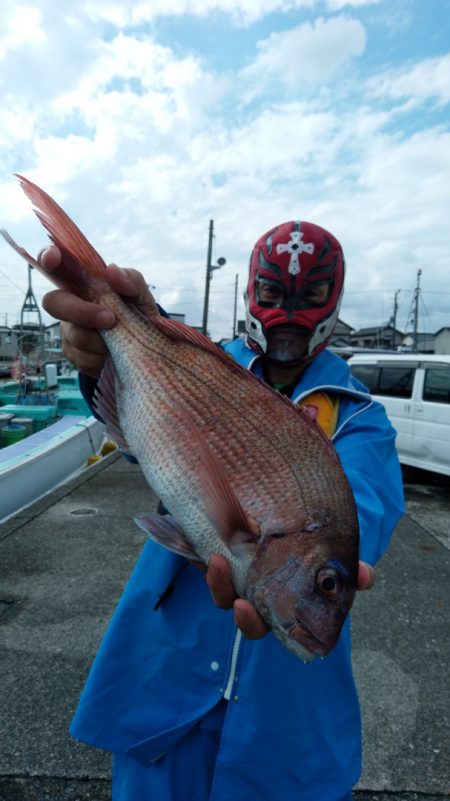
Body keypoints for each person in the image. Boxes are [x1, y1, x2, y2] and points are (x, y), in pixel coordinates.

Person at [41, 220, 404, 801]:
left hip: (282, 719)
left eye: (311, 298)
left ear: (334, 300)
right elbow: (151, 440)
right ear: (249, 294)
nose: (289, 314)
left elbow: (363, 504)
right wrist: (100, 359)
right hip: (165, 679)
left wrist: (325, 560)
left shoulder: (361, 419)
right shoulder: (206, 362)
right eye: (272, 295)